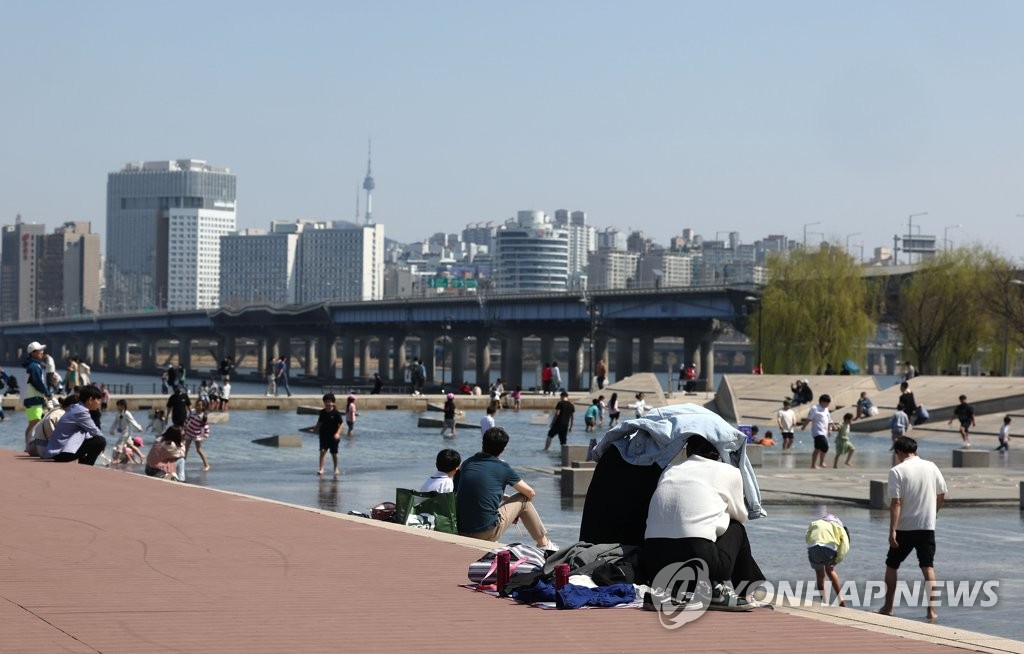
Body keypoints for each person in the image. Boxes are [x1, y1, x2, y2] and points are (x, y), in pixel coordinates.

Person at [643, 435, 765, 610]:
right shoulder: (728, 471)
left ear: (687, 450)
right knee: (735, 528)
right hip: (700, 563)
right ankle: (744, 592)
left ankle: (684, 589)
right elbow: (740, 515)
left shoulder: (670, 469)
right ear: (720, 453)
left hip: (654, 561)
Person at [455, 427, 557, 550]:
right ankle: (545, 545)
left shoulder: (467, 463)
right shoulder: (503, 467)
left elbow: (473, 489)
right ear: (503, 449)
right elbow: (530, 493)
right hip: (485, 533)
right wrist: (515, 510)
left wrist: (504, 498)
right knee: (523, 499)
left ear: (483, 443)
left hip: (461, 531)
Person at [879, 436, 947, 621]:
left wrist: (892, 530)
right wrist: (934, 514)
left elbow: (896, 503)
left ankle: (888, 606)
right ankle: (932, 610)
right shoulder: (931, 466)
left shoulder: (897, 471)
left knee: (892, 565)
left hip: (905, 527)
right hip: (927, 526)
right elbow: (942, 495)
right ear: (915, 450)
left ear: (899, 452)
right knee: (928, 566)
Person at [42, 386, 107, 465]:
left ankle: (84, 464)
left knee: (93, 438)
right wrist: (104, 444)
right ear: (90, 400)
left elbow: (88, 433)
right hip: (61, 453)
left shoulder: (75, 407)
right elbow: (94, 431)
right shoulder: (81, 411)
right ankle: (87, 465)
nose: (99, 403)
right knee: (100, 441)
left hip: (56, 452)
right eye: (98, 399)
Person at [805, 513, 850, 607]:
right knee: (830, 570)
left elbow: (807, 536)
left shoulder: (815, 522)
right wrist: (837, 559)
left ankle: (825, 602)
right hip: (829, 548)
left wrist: (812, 546)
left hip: (813, 547)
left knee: (820, 575)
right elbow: (845, 545)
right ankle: (840, 598)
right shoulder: (839, 527)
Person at [23, 341, 54, 449]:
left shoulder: (31, 365)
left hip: (30, 398)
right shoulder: (34, 366)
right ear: (33, 353)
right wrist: (47, 393)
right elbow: (37, 382)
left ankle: (28, 445)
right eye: (40, 350)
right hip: (34, 398)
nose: (42, 352)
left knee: (32, 423)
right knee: (34, 423)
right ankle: (29, 446)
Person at [800, 394, 836, 469]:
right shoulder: (814, 408)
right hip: (817, 432)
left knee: (818, 448)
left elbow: (829, 419)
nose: (828, 405)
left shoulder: (826, 409)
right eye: (827, 403)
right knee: (825, 446)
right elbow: (809, 418)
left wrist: (830, 429)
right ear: (822, 402)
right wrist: (804, 426)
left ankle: (813, 465)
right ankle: (821, 462)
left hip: (824, 432)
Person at [314, 393, 343, 477]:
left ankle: (336, 468)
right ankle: (321, 469)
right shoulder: (322, 412)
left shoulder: (336, 413)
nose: (328, 403)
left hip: (334, 436)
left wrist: (338, 433)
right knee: (322, 451)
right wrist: (315, 429)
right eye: (326, 402)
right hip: (323, 435)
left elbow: (341, 424)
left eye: (330, 402)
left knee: (334, 453)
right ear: (324, 402)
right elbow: (319, 422)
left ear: (333, 403)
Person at [109, 399, 144, 464]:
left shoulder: (127, 413)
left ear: (123, 406)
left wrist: (138, 428)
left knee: (119, 444)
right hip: (123, 432)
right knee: (130, 445)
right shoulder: (118, 414)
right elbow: (115, 422)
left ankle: (116, 459)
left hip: (126, 432)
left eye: (118, 406)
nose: (117, 407)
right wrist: (112, 430)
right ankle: (141, 456)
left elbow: (132, 421)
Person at [183, 399, 211, 472]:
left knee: (198, 450)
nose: (198, 406)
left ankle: (207, 465)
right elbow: (187, 420)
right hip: (189, 432)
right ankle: (182, 464)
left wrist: (204, 436)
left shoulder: (203, 416)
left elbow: (206, 427)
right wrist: (184, 429)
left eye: (200, 405)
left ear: (203, 406)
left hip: (197, 435)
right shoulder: (192, 411)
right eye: (197, 405)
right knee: (185, 449)